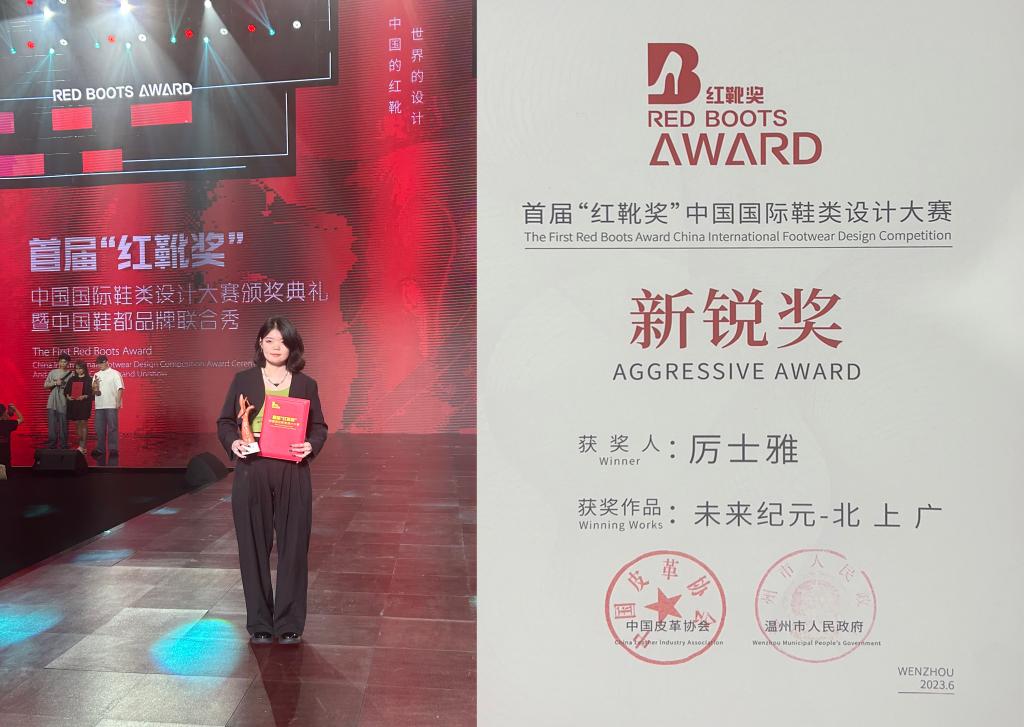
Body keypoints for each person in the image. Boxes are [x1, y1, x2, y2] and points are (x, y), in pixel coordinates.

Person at [217, 316, 327, 645]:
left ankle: (289, 622)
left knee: (294, 545)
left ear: (292, 347)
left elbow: (319, 427)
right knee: (252, 544)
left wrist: (311, 445)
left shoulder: (306, 384)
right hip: (252, 466)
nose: (276, 347)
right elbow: (225, 422)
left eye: (282, 341)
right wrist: (233, 443)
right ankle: (260, 623)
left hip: (292, 467)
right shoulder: (243, 379)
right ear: (260, 344)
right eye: (269, 340)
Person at [91, 355, 124, 459]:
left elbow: (120, 388)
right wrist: (95, 388)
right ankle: (100, 449)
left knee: (112, 428)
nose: (99, 365)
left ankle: (113, 449)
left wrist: (118, 402)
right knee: (99, 429)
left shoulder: (115, 373)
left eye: (100, 363)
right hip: (99, 405)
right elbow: (95, 392)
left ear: (106, 362)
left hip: (111, 404)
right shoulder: (96, 375)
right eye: (97, 363)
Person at [64, 361, 94, 455]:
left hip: (84, 404)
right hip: (74, 404)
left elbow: (92, 393)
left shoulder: (89, 379)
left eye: (80, 368)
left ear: (84, 368)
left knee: (83, 423)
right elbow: (66, 391)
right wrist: (68, 396)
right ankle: (80, 444)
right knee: (77, 424)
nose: (78, 370)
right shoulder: (72, 379)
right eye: (76, 368)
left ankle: (83, 446)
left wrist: (85, 396)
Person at [43, 353, 72, 449]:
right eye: (61, 362)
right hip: (52, 402)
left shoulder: (71, 374)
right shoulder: (53, 372)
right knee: (52, 425)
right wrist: (55, 382)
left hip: (63, 402)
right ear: (58, 362)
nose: (63, 363)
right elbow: (45, 385)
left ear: (68, 363)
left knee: (64, 424)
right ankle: (52, 444)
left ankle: (63, 444)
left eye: (65, 362)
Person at [0, 402, 24, 477]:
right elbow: (21, 419)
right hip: (6, 458)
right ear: (3, 413)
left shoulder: (7, 422)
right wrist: (14, 409)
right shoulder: (8, 424)